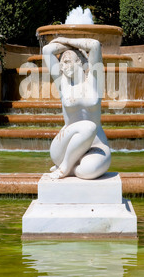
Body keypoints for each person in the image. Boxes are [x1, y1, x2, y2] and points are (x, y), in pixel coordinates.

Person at [42, 37, 111, 180]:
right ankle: (65, 166)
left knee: (86, 171)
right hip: (64, 146)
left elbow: (94, 45)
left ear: (79, 62)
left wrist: (64, 40)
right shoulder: (63, 84)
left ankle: (72, 167)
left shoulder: (94, 82)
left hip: (96, 146)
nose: (61, 67)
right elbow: (47, 50)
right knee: (88, 127)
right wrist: (68, 48)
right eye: (61, 63)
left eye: (66, 62)